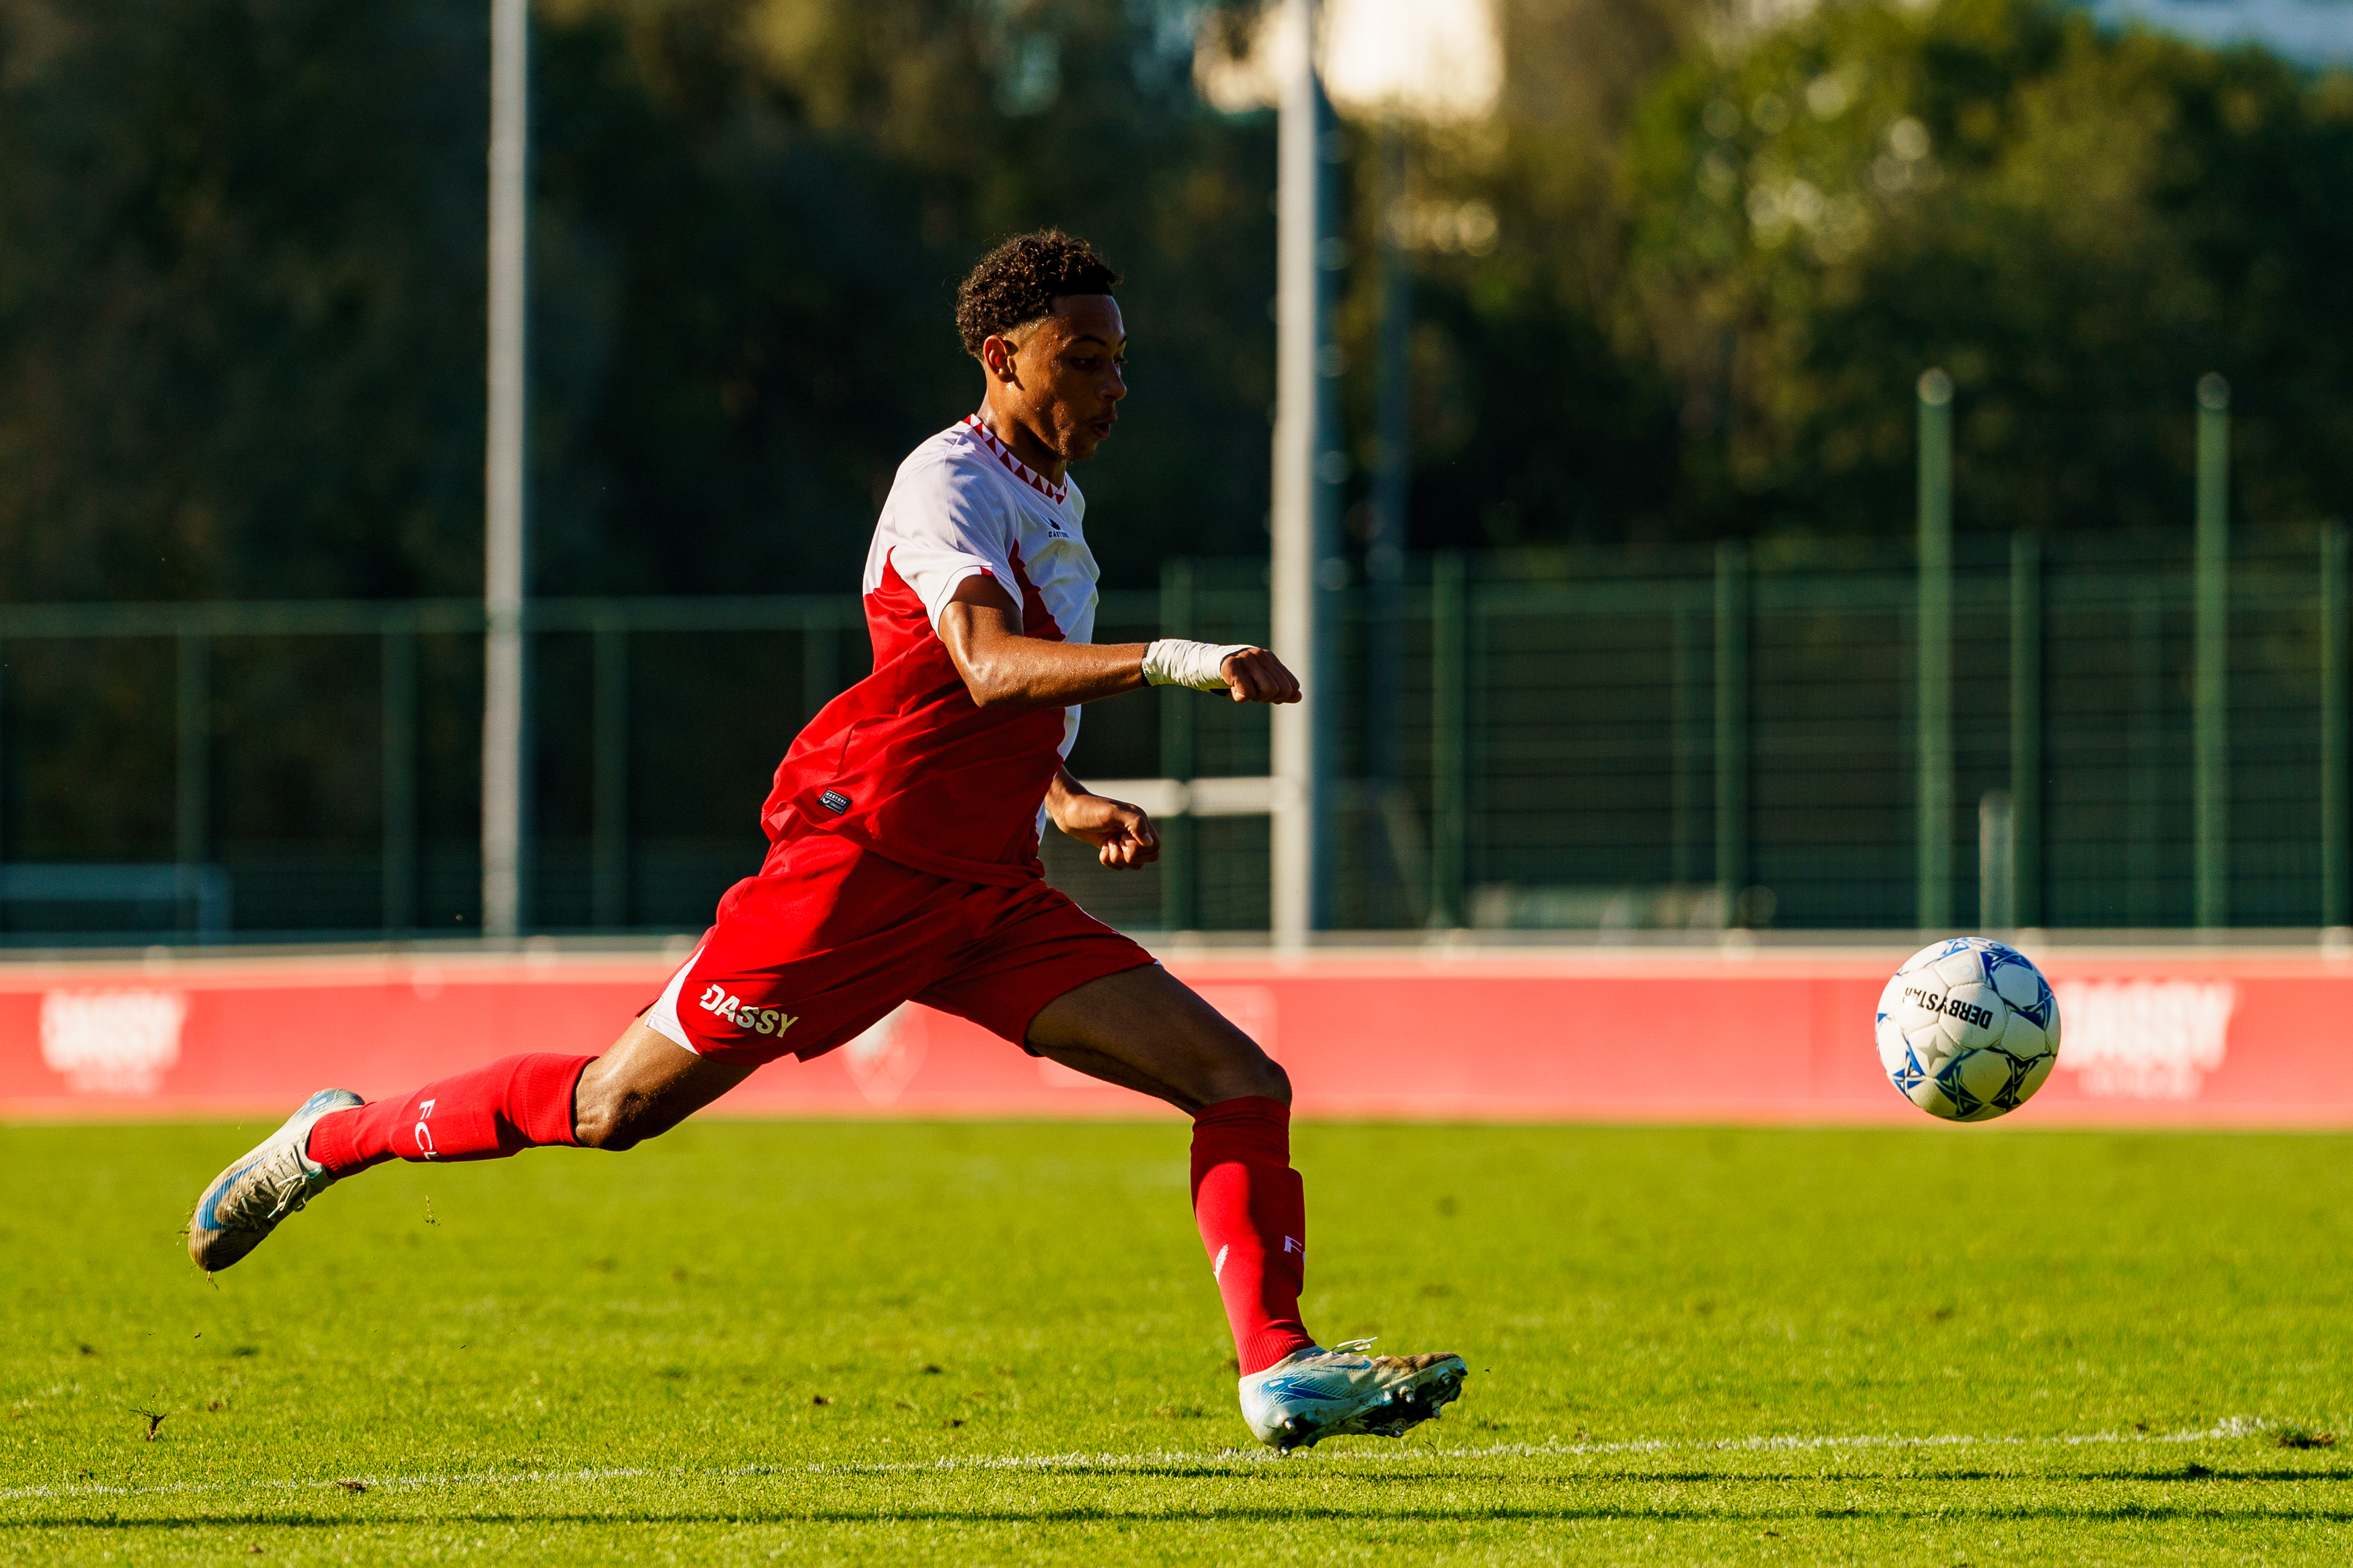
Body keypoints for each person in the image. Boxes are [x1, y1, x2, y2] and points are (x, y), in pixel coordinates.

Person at [187, 230, 1465, 1453]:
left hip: (986, 894)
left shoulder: (1059, 505)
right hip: (860, 875)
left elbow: (1007, 712)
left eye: (1120, 358)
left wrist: (1066, 798)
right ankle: (327, 1139)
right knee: (611, 1106)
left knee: (1241, 1081)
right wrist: (1179, 659)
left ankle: (1277, 1370)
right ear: (1002, 358)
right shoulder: (946, 481)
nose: (1112, 381)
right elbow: (979, 662)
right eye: (1084, 356)